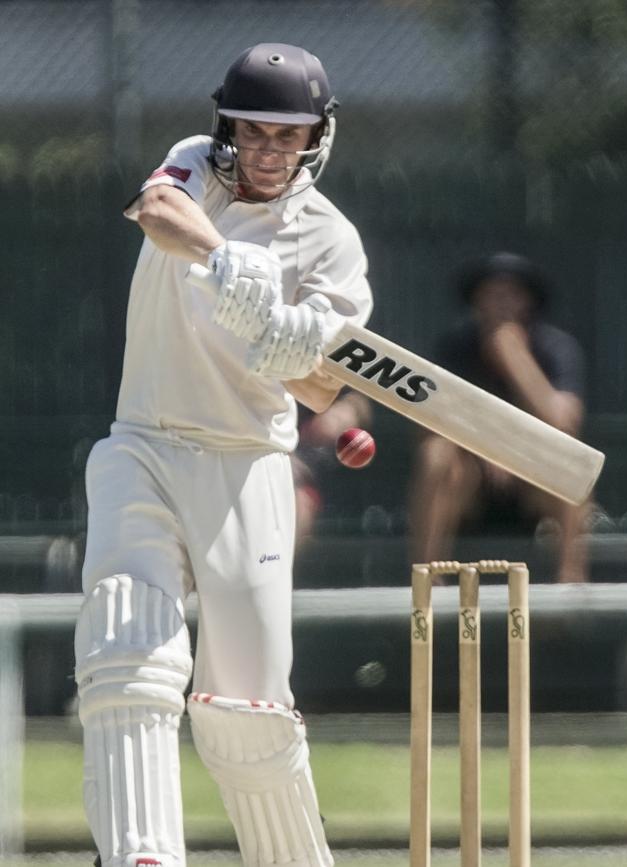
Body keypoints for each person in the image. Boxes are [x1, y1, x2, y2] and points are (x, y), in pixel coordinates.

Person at [74, 43, 372, 867]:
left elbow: (318, 388)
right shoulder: (196, 168)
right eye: (257, 131)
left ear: (318, 137)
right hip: (146, 442)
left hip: (248, 466)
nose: (271, 150)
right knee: (125, 652)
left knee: (248, 709)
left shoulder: (331, 243)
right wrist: (225, 259)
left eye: (291, 135)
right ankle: (140, 855)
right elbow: (158, 212)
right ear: (228, 127)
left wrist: (283, 335)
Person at [408, 252, 589, 583]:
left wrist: (514, 357)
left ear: (528, 302)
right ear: (476, 301)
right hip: (470, 480)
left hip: (532, 483)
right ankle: (427, 579)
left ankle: (570, 583)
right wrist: (488, 449)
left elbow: (564, 423)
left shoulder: (556, 348)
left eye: (511, 294)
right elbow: (427, 423)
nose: (501, 303)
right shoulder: (455, 347)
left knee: (571, 462)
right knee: (436, 453)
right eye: (491, 294)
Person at [292, 390, 372, 543]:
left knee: (299, 505)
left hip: (302, 479)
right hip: (255, 454)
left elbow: (361, 400)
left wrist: (347, 410)